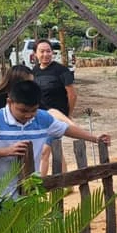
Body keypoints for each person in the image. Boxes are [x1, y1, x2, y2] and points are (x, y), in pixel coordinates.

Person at [0, 80, 110, 199]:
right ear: (9, 102)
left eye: (33, 110)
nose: (29, 115)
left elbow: (65, 129)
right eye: (23, 110)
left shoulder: (42, 117)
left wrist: (94, 138)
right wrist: (6, 151)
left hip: (28, 194)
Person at [31, 38, 76, 175]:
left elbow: (72, 95)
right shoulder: (35, 71)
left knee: (44, 151)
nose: (45, 54)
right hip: (40, 117)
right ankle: (67, 182)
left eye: (48, 51)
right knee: (55, 149)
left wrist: (67, 114)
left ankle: (40, 188)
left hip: (55, 118)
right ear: (35, 54)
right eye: (42, 51)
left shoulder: (61, 70)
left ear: (53, 53)